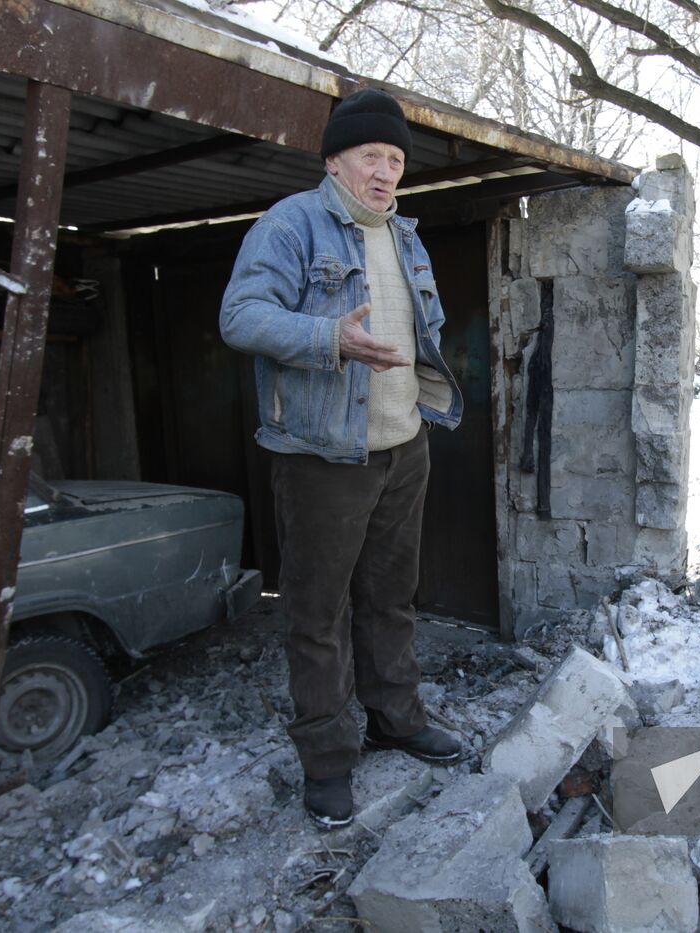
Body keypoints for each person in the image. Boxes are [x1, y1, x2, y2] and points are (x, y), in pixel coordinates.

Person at [220, 88, 465, 827]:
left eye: (396, 158)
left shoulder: (407, 236)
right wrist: (332, 339)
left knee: (391, 598)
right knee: (316, 612)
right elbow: (241, 316)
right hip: (323, 456)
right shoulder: (290, 225)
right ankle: (328, 762)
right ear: (335, 160)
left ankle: (396, 715)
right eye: (372, 155)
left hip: (403, 448)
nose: (386, 170)